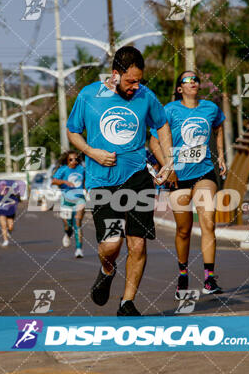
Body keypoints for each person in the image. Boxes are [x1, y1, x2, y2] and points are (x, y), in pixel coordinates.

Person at [66, 46, 174, 316]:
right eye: (130, 81)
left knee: (137, 243)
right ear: (115, 74)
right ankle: (106, 269)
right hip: (102, 181)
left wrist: (169, 161)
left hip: (138, 178)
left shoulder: (145, 95)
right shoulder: (90, 95)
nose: (135, 86)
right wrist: (92, 152)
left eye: (139, 80)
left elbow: (161, 124)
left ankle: (127, 302)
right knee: (112, 243)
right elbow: (73, 130)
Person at [150, 70, 227, 299]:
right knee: (183, 230)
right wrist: (167, 167)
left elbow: (219, 127)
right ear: (179, 88)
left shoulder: (210, 108)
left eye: (195, 79)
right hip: (178, 177)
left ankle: (209, 279)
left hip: (204, 172)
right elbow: (154, 142)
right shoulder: (169, 110)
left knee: (208, 223)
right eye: (187, 80)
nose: (192, 82)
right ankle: (183, 274)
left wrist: (220, 155)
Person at [51, 150, 86, 258]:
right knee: (68, 225)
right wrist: (65, 182)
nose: (73, 161)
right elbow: (54, 181)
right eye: (71, 159)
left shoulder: (82, 169)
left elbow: (85, 182)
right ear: (67, 160)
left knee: (77, 222)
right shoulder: (63, 170)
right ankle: (67, 233)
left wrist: (87, 191)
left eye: (76, 159)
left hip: (79, 199)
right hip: (66, 200)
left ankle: (79, 249)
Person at [0, 180, 22, 247]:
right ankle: (6, 240)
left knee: (10, 226)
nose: (3, 186)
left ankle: (9, 231)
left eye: (4, 185)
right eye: (1, 185)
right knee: (3, 225)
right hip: (1, 211)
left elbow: (16, 199)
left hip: (10, 211)